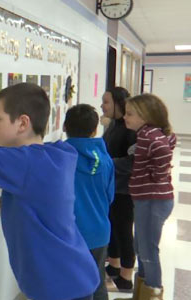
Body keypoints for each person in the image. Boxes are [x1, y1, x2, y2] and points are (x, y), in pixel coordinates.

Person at [0, 83, 99, 300]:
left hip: (63, 289)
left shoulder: (28, 165)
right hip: (69, 280)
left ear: (22, 123)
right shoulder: (49, 155)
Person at [123, 94, 176, 300]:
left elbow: (162, 151)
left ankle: (152, 293)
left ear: (146, 117)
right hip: (146, 198)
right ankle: (142, 292)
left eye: (130, 114)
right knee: (141, 246)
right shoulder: (146, 134)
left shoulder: (150, 135)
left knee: (148, 250)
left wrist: (156, 173)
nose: (125, 117)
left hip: (154, 199)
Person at [64, 104, 115, 300]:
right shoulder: (105, 159)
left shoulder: (60, 159)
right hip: (100, 232)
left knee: (74, 286)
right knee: (97, 282)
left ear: (65, 127)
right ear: (94, 130)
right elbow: (109, 197)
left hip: (72, 234)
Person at [100, 87, 137, 292]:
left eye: (106, 102)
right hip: (113, 186)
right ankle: (113, 265)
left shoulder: (131, 129)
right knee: (113, 226)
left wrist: (108, 163)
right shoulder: (114, 124)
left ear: (118, 103)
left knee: (124, 230)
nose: (102, 106)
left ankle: (126, 277)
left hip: (125, 189)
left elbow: (132, 162)